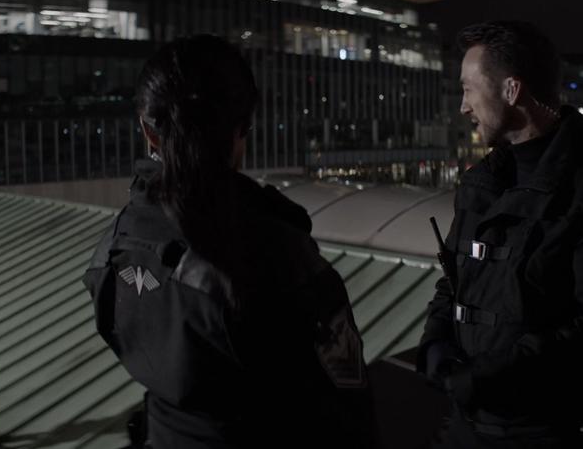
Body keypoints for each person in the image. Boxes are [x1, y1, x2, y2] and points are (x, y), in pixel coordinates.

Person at [83, 34, 376, 449]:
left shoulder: (117, 242)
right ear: (241, 129)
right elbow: (345, 401)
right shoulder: (274, 250)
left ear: (148, 133)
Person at [418, 21, 583, 448]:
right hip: (466, 427)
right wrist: (435, 341)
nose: (463, 107)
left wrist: (491, 376)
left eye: (468, 89)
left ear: (512, 91)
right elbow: (456, 278)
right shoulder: (483, 183)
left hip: (552, 433)